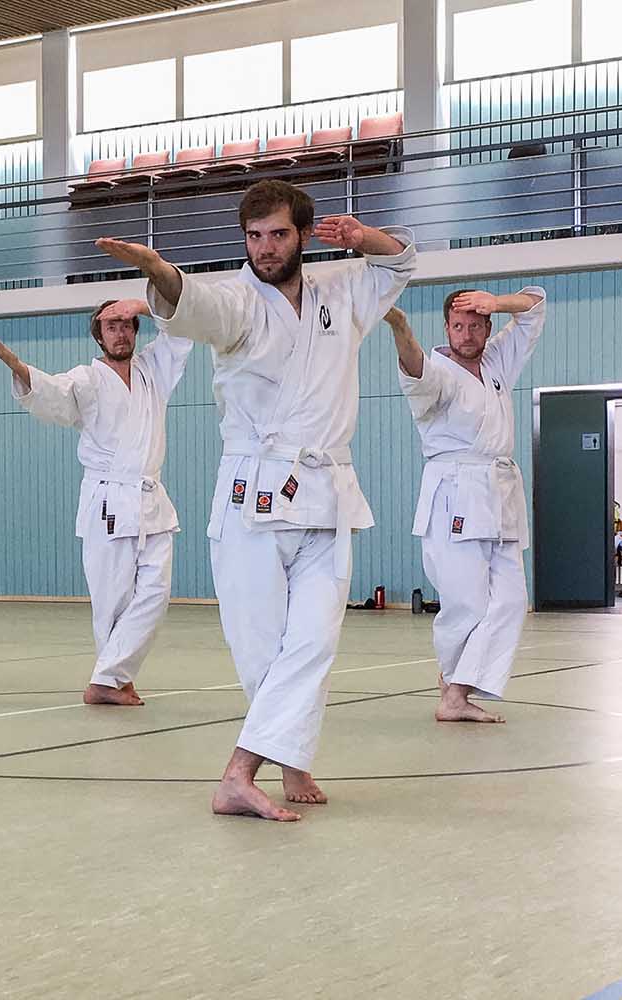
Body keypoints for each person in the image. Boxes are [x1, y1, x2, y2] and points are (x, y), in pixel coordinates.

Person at [98, 179, 418, 821]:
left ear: (302, 234)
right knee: (262, 646)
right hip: (254, 493)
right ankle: (284, 758)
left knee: (316, 640)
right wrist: (157, 268)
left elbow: (401, 261)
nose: (265, 248)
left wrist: (366, 238)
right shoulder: (238, 301)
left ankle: (243, 772)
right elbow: (195, 305)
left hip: (327, 493)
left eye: (277, 234)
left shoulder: (342, 291)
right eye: (253, 236)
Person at [0, 300, 193, 706]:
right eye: (111, 326)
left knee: (155, 594)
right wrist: (19, 367)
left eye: (127, 325)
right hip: (109, 499)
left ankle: (110, 676)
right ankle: (113, 680)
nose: (121, 333)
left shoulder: (154, 369)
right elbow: (51, 393)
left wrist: (148, 307)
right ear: (98, 334)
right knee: (112, 600)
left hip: (151, 498)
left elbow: (181, 329)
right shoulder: (86, 378)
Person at [388, 286, 547, 725]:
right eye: (458, 325)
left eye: (475, 325)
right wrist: (401, 328)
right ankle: (454, 690)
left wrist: (498, 301)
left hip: (501, 491)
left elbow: (535, 307)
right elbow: (415, 370)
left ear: (487, 326)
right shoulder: (438, 370)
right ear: (446, 329)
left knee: (513, 600)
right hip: (455, 490)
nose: (466, 333)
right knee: (467, 604)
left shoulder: (497, 361)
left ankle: (455, 690)